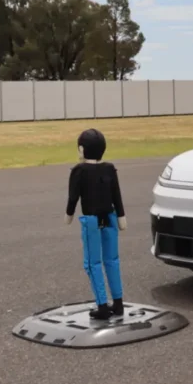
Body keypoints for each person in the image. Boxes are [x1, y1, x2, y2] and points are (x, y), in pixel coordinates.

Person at [65, 128, 127, 320]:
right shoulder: (109, 169)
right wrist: (121, 217)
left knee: (92, 263)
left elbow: (73, 197)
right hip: (110, 218)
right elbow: (116, 195)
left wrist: (68, 215)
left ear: (82, 150)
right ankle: (118, 303)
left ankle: (102, 305)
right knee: (112, 260)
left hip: (91, 221)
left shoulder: (79, 171)